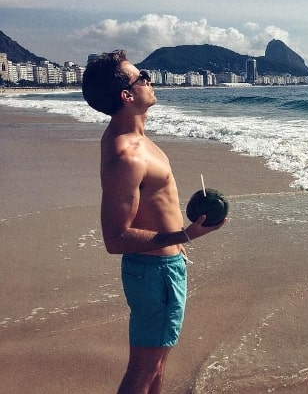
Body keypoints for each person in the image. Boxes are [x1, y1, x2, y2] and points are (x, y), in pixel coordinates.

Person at [82, 50, 226, 394]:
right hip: (154, 274)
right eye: (141, 76)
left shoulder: (137, 140)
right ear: (126, 96)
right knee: (143, 372)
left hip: (162, 266)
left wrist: (178, 242)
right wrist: (185, 235)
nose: (148, 79)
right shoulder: (127, 155)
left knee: (156, 366)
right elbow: (115, 238)